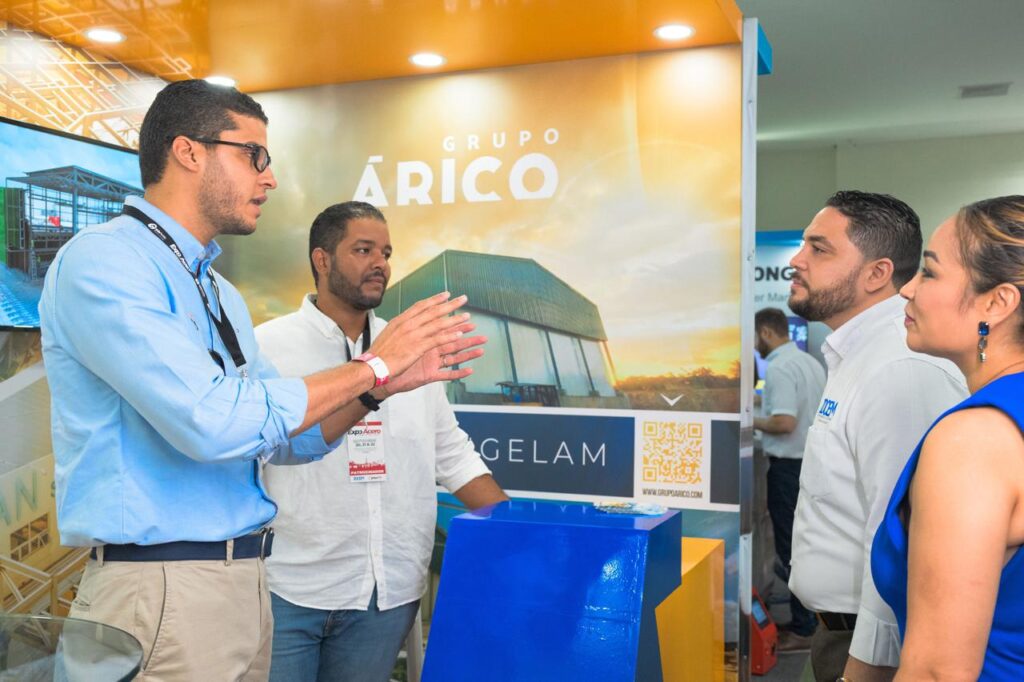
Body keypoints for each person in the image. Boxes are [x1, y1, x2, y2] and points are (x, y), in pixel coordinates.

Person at [39, 80, 484, 681]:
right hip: (163, 587)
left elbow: (287, 440)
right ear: (189, 152)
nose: (269, 177)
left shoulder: (215, 290)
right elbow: (213, 420)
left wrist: (378, 388)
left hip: (241, 584)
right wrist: (371, 364)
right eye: (255, 155)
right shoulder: (107, 262)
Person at [254, 202, 509, 681]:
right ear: (322, 260)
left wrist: (519, 534)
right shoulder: (266, 347)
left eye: (387, 253)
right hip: (288, 588)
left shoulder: (413, 351)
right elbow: (251, 452)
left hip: (386, 592)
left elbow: (451, 453)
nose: (380, 264)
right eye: (363, 249)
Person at [786, 191, 967, 682]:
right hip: (837, 636)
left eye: (819, 250)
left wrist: (864, 668)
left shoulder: (899, 369)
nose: (796, 262)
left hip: (868, 649)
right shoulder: (857, 356)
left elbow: (901, 540)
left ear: (876, 273)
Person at [872, 196, 1024, 681]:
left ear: (996, 303)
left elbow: (938, 671)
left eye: (930, 273)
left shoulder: (976, 439)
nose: (907, 290)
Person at [753, 307, 826, 650]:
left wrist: (748, 420)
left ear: (766, 332)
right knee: (805, 543)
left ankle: (803, 628)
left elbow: (784, 422)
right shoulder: (809, 363)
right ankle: (811, 621)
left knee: (790, 546)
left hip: (786, 470)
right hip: (808, 465)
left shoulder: (780, 367)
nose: (754, 346)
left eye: (755, 338)